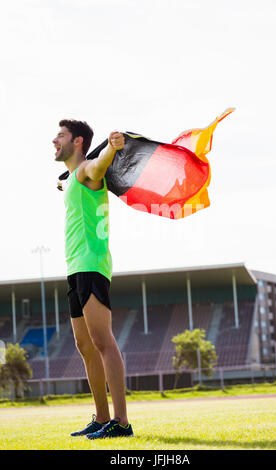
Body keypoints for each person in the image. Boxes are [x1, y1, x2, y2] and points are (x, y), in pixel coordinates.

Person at [53, 119, 133, 440]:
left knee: (102, 341)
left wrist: (111, 150)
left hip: (91, 264)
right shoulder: (72, 177)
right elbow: (72, 180)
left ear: (78, 141)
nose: (54, 140)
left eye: (60, 135)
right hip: (74, 267)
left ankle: (122, 422)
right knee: (84, 345)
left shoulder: (86, 170)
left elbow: (98, 168)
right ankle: (101, 418)